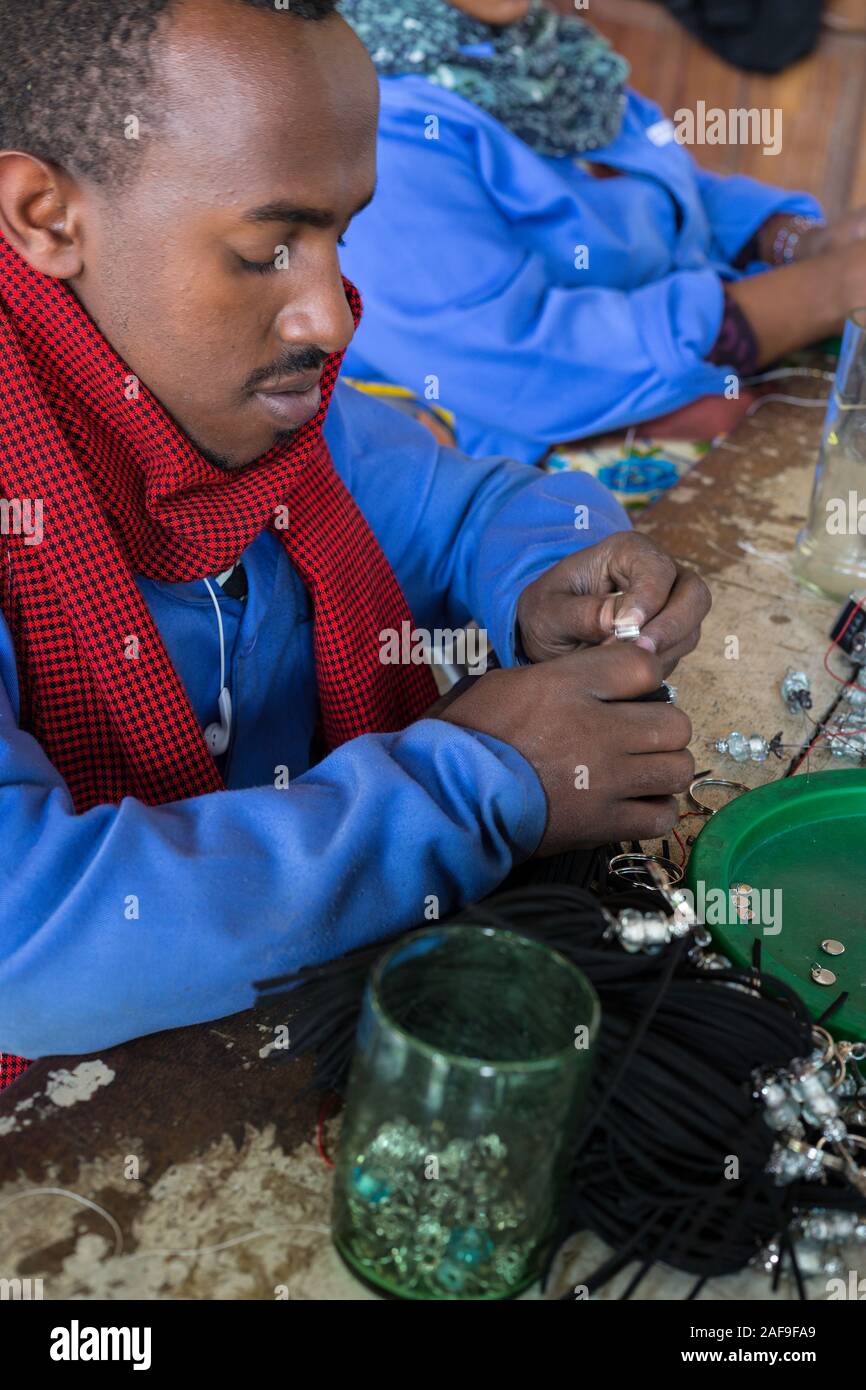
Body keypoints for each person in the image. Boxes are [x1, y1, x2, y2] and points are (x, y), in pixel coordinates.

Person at [0, 0, 707, 1083]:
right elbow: (28, 943)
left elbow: (470, 505)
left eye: (340, 235)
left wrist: (548, 573)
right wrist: (471, 786)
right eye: (266, 250)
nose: (331, 317)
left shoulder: (264, 418)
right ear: (45, 214)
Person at [339, 0, 866, 465]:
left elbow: (667, 192)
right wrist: (828, 288)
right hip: (513, 475)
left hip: (699, 386)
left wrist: (797, 241)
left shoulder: (548, 57)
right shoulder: (370, 120)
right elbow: (525, 369)